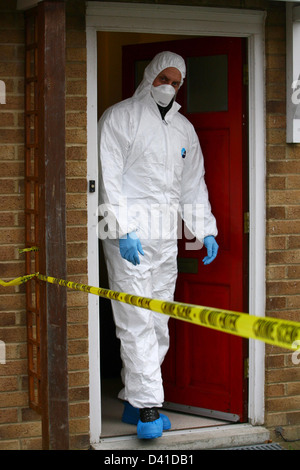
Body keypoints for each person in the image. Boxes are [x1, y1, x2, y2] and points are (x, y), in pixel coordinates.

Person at [98, 51, 218, 440]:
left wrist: (205, 230)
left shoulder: (183, 130)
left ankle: (136, 401)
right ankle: (150, 407)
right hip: (129, 238)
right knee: (134, 321)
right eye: (164, 78)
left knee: (158, 319)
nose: (169, 86)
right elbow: (107, 176)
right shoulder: (120, 118)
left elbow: (192, 185)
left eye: (176, 82)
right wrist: (120, 229)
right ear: (150, 74)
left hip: (166, 240)